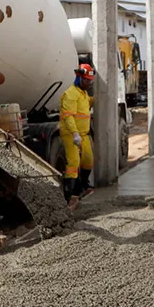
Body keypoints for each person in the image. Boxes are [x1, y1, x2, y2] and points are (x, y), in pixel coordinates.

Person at [59, 63, 95, 208]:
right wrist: (75, 134)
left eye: (90, 81)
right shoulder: (70, 94)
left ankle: (83, 187)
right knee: (73, 164)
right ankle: (71, 198)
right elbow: (68, 117)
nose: (88, 83)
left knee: (88, 160)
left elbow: (87, 104)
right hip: (71, 134)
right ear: (79, 78)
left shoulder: (83, 93)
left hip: (83, 134)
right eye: (86, 80)